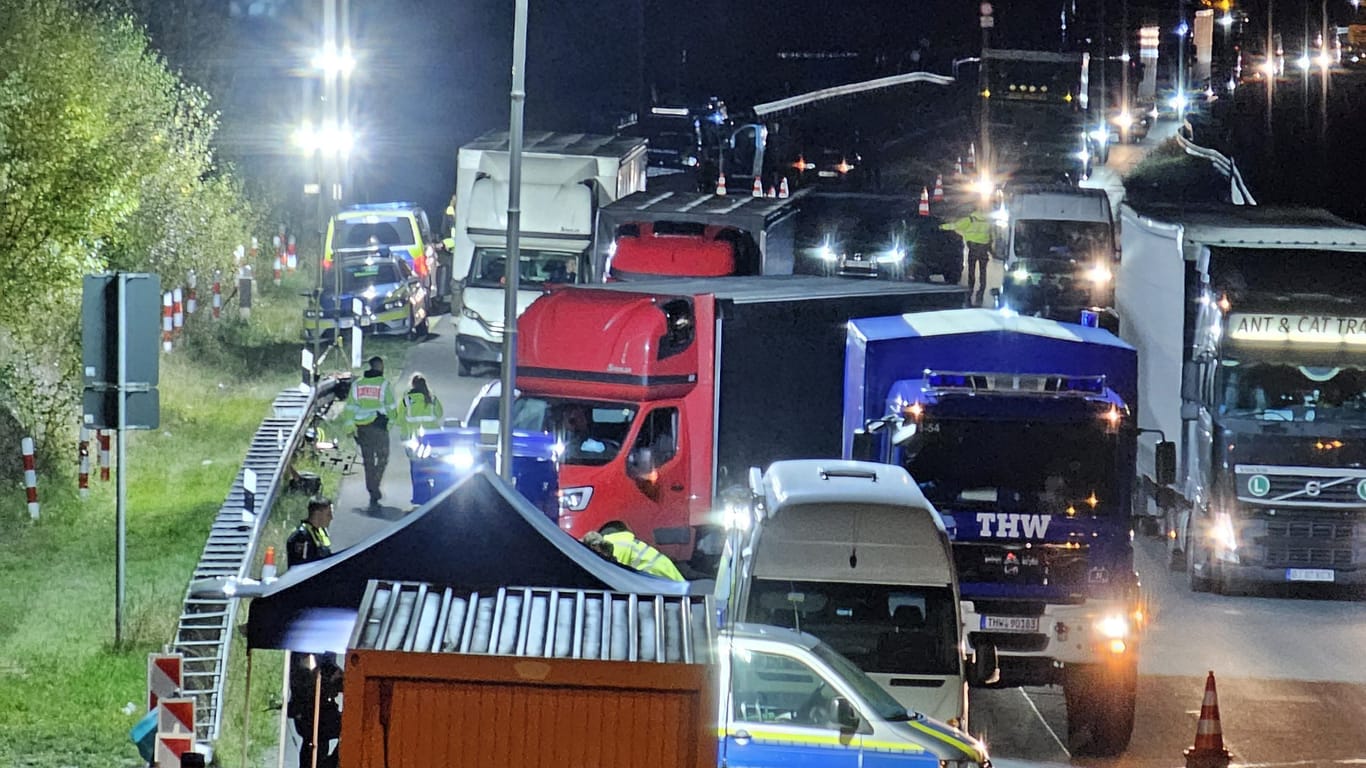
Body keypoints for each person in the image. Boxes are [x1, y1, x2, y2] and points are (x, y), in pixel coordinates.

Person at [283, 496, 340, 768]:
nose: (332, 517)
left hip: (321, 629)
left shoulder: (321, 535)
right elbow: (303, 577)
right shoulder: (302, 539)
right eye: (329, 512)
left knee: (326, 724)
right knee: (313, 729)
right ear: (318, 512)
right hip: (309, 630)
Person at [343, 356, 397, 510]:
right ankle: (375, 486)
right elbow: (392, 408)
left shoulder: (357, 385)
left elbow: (350, 408)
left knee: (368, 460)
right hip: (378, 426)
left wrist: (349, 428)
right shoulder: (384, 385)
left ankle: (371, 488)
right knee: (382, 458)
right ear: (380, 367)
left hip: (362, 428)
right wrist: (390, 424)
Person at [592, 521, 686, 581]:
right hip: (667, 575)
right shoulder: (619, 541)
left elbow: (615, 577)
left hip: (662, 580)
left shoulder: (617, 549)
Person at [943, 208, 993, 306]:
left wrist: (941, 226)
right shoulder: (987, 221)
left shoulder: (970, 220)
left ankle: (970, 290)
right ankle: (981, 292)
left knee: (972, 270)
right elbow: (992, 235)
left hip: (973, 249)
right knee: (983, 272)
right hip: (984, 249)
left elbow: (954, 226)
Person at [397, 373, 444, 447]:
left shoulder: (406, 400)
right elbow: (439, 414)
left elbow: (399, 419)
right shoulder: (432, 399)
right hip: (431, 434)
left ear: (412, 385)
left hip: (410, 434)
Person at [286, 495, 334, 567]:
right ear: (317, 514)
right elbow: (301, 567)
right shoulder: (301, 536)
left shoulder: (320, 531)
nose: (331, 518)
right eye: (328, 514)